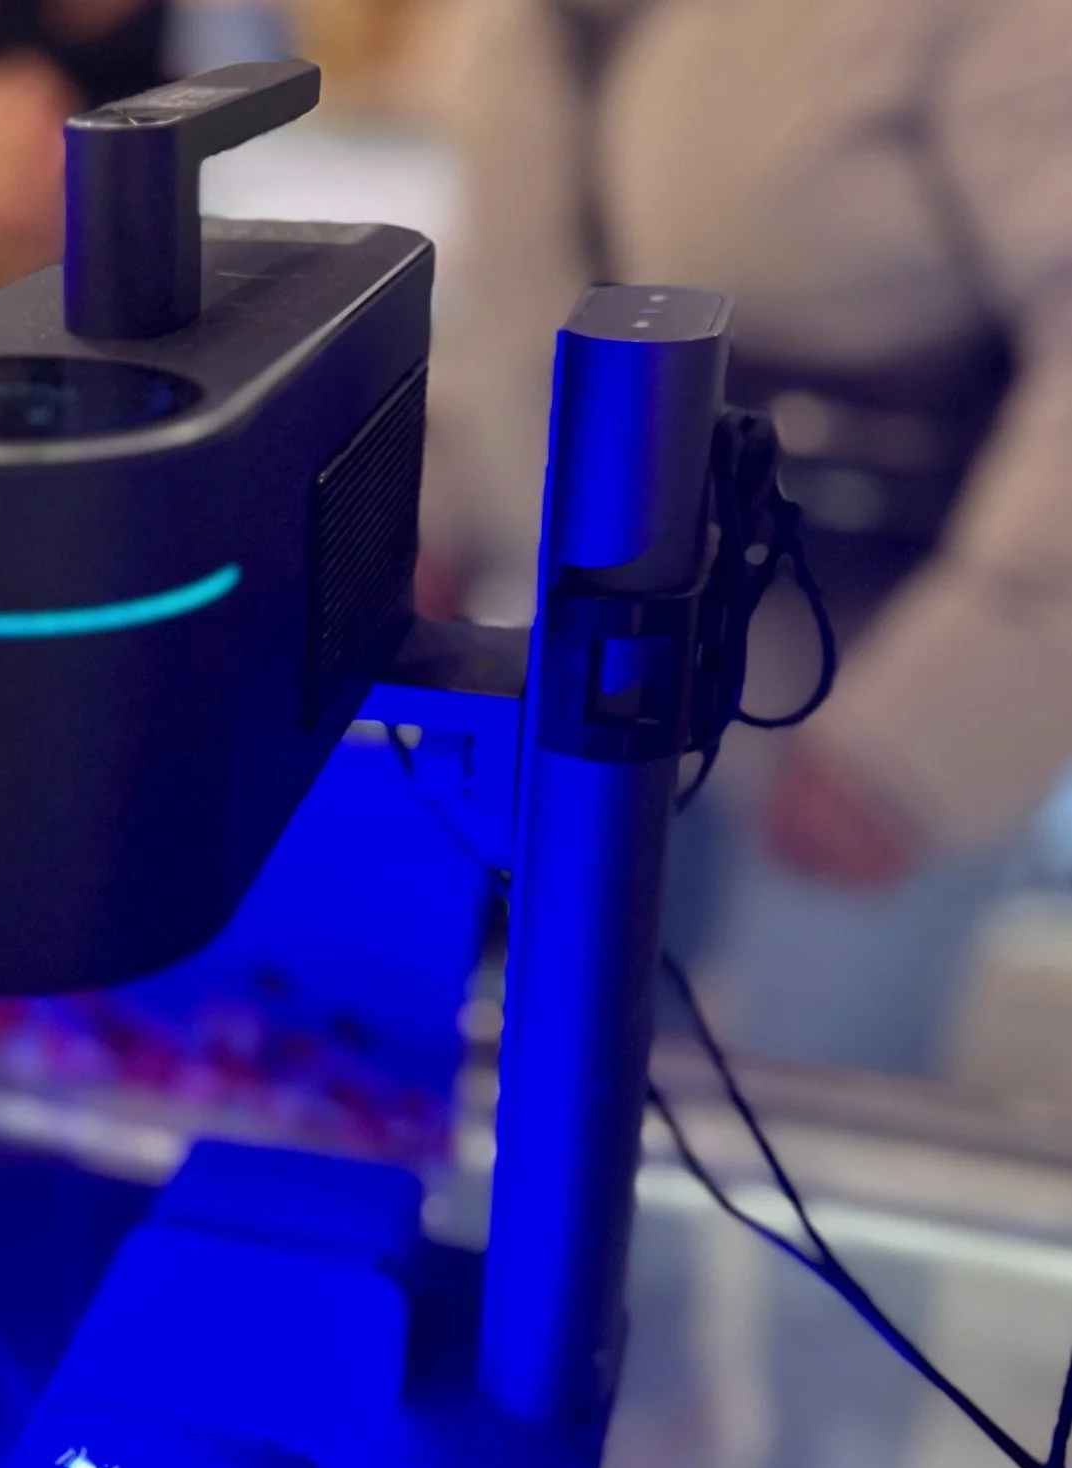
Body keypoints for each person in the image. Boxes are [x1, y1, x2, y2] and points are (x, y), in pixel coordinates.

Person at [418, 0, 1072, 1075]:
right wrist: (426, 512)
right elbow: (516, 289)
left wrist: (951, 713)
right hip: (616, 656)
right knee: (579, 1067)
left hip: (872, 674)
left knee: (798, 1103)